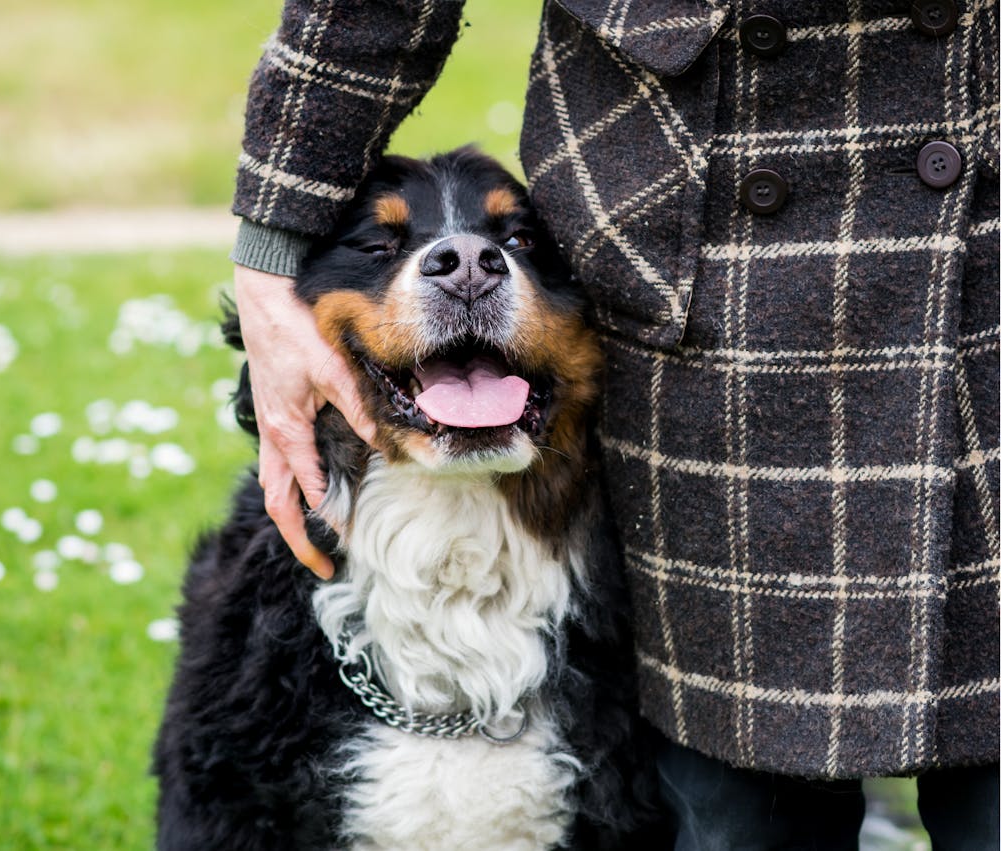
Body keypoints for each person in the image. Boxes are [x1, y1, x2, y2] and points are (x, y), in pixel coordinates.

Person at [228, 1, 1000, 846]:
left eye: (512, 244)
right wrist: (269, 250)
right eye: (387, 250)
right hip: (702, 267)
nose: (469, 265)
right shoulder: (243, 652)